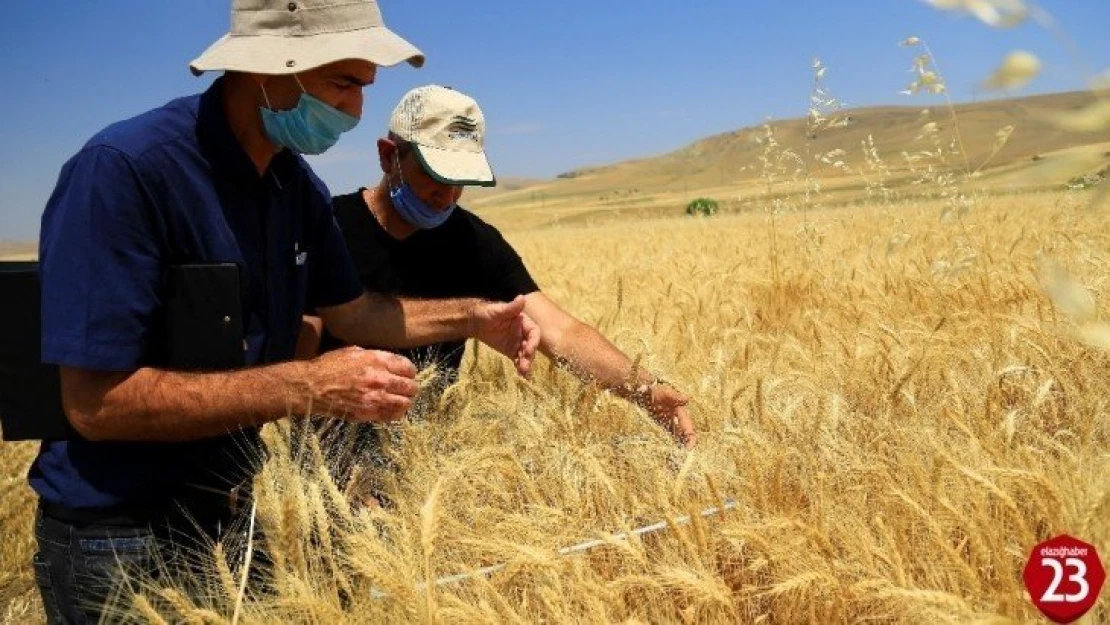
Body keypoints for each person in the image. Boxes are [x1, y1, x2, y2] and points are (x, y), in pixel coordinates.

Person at [30, 3, 538, 623]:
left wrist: (474, 319)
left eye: (363, 88)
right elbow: (93, 403)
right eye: (343, 84)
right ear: (270, 69)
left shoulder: (294, 188)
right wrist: (305, 386)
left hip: (239, 513)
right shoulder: (127, 173)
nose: (354, 112)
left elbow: (352, 313)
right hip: (121, 540)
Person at [307, 85, 696, 476]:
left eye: (461, 181)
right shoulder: (329, 230)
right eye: (434, 176)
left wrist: (645, 390)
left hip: (422, 463)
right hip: (323, 462)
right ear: (389, 156)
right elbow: (296, 357)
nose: (447, 196)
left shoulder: (474, 242)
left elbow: (560, 332)